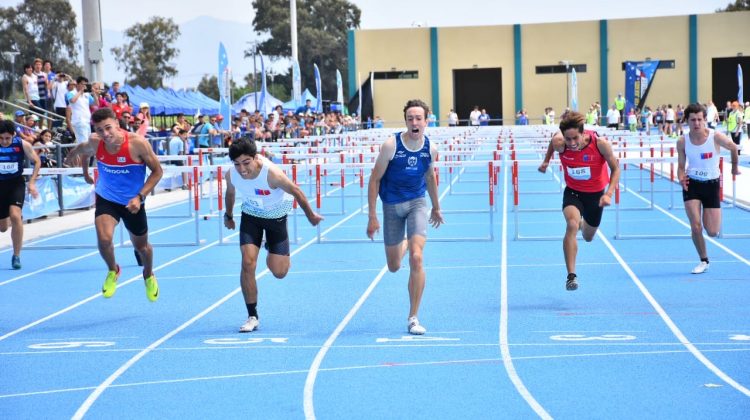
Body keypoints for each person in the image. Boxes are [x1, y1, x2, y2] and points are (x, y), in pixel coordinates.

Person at [223, 139, 323, 332]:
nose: (242, 169)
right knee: (248, 262)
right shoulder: (232, 174)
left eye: (246, 163)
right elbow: (230, 193)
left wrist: (311, 215)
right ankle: (252, 315)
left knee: (279, 272)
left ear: (255, 158)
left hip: (276, 218)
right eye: (237, 164)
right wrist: (228, 216)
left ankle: (271, 246)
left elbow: (297, 192)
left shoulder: (272, 174)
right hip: (251, 217)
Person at [64, 107, 163, 301]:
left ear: (117, 124)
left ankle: (148, 274)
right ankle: (113, 270)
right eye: (100, 130)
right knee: (104, 239)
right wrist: (78, 165)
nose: (105, 134)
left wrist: (140, 197)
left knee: (143, 248)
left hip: (132, 201)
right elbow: (83, 149)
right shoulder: (96, 141)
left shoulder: (137, 144)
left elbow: (157, 172)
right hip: (106, 198)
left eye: (108, 128)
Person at [366, 99, 444, 335]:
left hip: (417, 203)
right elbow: (374, 179)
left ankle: (413, 317)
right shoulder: (391, 145)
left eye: (418, 118)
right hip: (391, 205)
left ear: (426, 121)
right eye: (410, 118)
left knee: (417, 259)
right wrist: (372, 216)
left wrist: (436, 207)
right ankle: (408, 241)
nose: (414, 122)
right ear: (406, 121)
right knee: (393, 266)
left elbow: (429, 177)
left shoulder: (430, 149)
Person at [538, 111, 620, 290]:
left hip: (596, 196)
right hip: (573, 192)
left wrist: (609, 194)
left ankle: (584, 223)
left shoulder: (600, 144)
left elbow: (615, 168)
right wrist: (546, 161)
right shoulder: (561, 143)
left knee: (588, 237)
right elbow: (554, 142)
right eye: (568, 139)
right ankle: (571, 276)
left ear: (583, 132)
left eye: (575, 138)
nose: (572, 143)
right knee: (571, 225)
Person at [677, 103, 740, 274]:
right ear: (687, 121)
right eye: (693, 120)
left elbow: (734, 147)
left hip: (712, 185)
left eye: (699, 120)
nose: (696, 123)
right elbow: (681, 167)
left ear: (705, 120)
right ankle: (704, 260)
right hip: (692, 185)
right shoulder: (682, 141)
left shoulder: (715, 137)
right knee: (696, 226)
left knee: (712, 231)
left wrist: (734, 167)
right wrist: (681, 177)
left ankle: (708, 219)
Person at [0, 120, 41, 269]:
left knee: (15, 215)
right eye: (1, 138)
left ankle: (16, 256)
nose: (4, 142)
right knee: (3, 227)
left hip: (15, 184)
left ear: (13, 135)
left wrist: (32, 182)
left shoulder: (22, 144)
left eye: (7, 138)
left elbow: (36, 162)